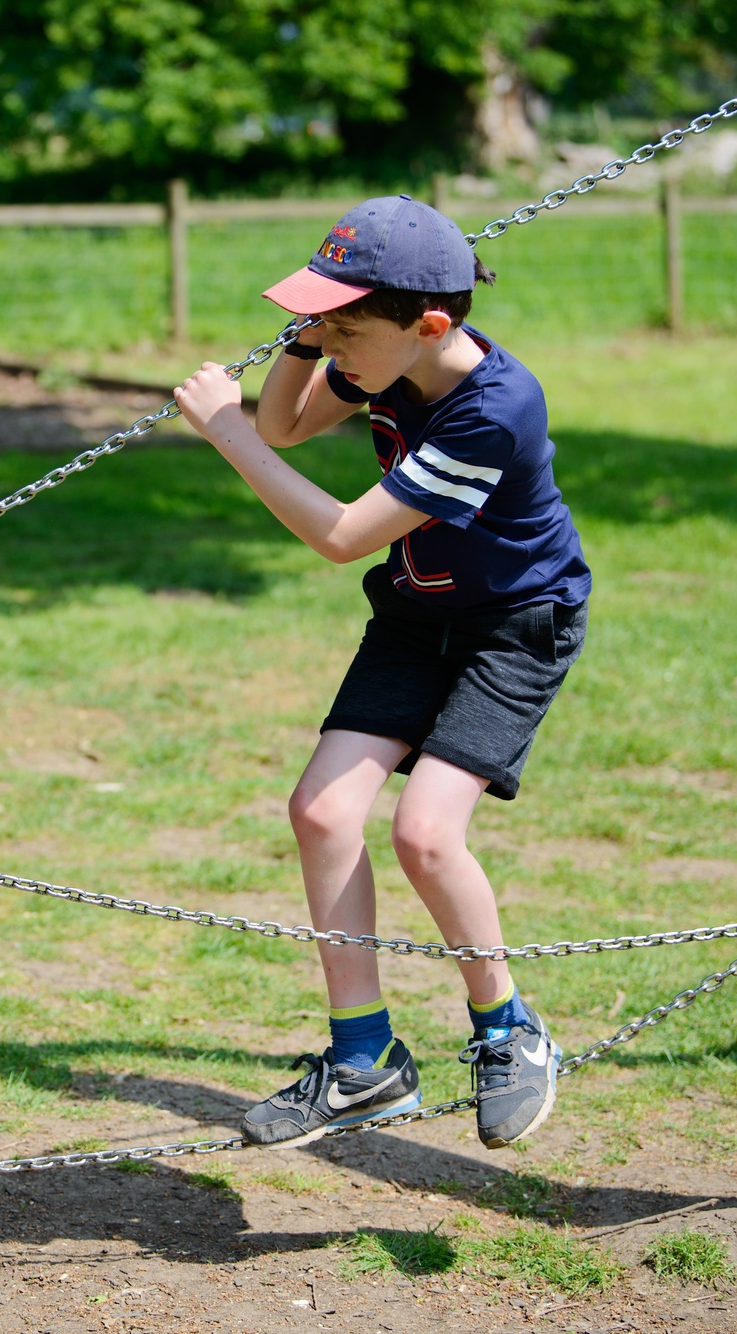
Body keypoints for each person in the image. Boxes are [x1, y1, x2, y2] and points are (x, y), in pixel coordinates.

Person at [172, 196, 591, 1152]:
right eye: (325, 323)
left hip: (512, 630)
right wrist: (307, 339)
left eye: (345, 328)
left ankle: (508, 1029)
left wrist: (225, 434)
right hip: (415, 616)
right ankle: (365, 1061)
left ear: (430, 325)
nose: (333, 345)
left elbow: (339, 534)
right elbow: (286, 424)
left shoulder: (493, 410)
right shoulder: (384, 357)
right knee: (321, 812)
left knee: (425, 834)